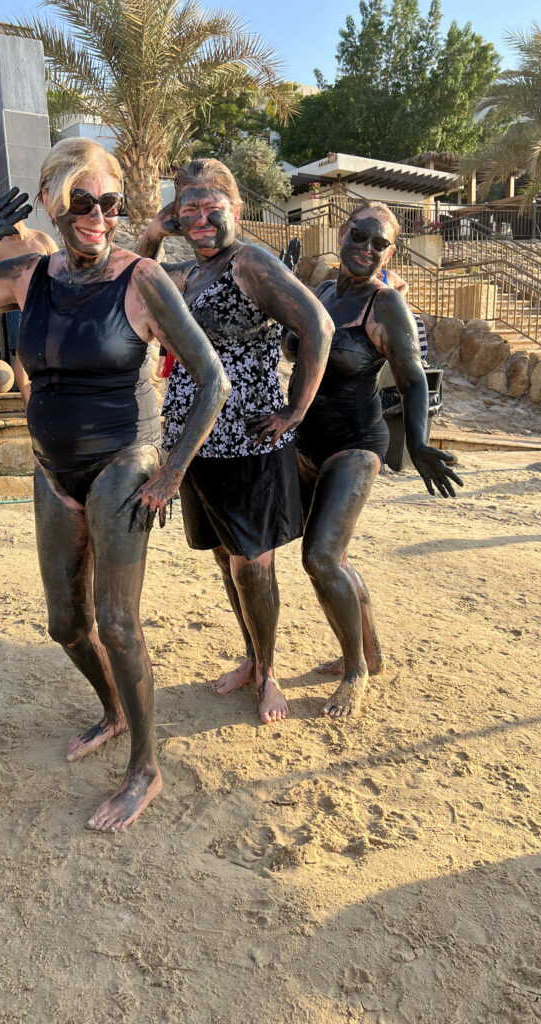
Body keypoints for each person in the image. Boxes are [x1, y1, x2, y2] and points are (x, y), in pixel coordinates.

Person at [0, 139, 230, 831]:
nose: (99, 216)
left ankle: (146, 767)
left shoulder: (143, 280)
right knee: (65, 625)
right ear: (55, 203)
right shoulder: (30, 276)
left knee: (117, 623)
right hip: (54, 470)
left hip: (124, 461)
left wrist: (171, 473)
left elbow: (212, 379)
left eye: (110, 203)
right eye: (83, 201)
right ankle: (113, 710)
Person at [136, 159, 334, 725]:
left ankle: (269, 673)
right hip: (194, 447)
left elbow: (317, 325)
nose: (200, 219)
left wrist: (294, 409)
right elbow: (139, 281)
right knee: (226, 560)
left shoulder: (248, 261)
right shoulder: (189, 274)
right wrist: (152, 232)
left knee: (255, 565)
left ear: (236, 210)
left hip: (249, 444)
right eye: (188, 210)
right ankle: (251, 656)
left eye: (211, 208)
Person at [284, 202, 463, 718]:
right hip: (304, 443)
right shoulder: (320, 292)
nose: (365, 248)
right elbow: (294, 343)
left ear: (390, 251)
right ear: (342, 233)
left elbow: (412, 381)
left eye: (378, 243)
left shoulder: (385, 307)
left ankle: (355, 669)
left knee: (320, 557)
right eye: (359, 236)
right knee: (321, 556)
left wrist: (421, 442)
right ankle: (372, 653)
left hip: (356, 446)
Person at [0, 219, 58, 402]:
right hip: (18, 306)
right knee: (23, 354)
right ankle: (29, 408)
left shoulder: (43, 240)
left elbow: (62, 273)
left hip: (47, 304)